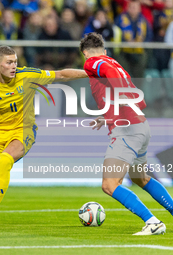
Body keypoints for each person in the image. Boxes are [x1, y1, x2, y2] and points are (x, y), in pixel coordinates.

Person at [0, 45, 87, 228]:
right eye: (9, 63)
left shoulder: (27, 75)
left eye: (15, 62)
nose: (13, 66)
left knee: (5, 161)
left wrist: (90, 72)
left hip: (23, 130)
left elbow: (61, 75)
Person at [80, 32, 173, 235]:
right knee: (140, 177)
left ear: (86, 54)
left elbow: (115, 83)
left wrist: (114, 114)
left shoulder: (93, 63)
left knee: (109, 184)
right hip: (141, 125)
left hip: (127, 130)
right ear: (105, 50)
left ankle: (152, 222)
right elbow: (135, 97)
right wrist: (110, 115)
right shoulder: (115, 63)